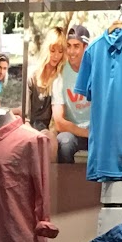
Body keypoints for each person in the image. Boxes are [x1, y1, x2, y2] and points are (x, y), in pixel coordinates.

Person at [37, 23, 91, 163]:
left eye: (76, 46)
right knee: (64, 142)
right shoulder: (60, 74)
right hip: (73, 131)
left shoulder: (96, 70)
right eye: (69, 46)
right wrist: (87, 133)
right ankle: (65, 177)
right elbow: (59, 122)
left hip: (96, 130)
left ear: (85, 47)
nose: (71, 51)